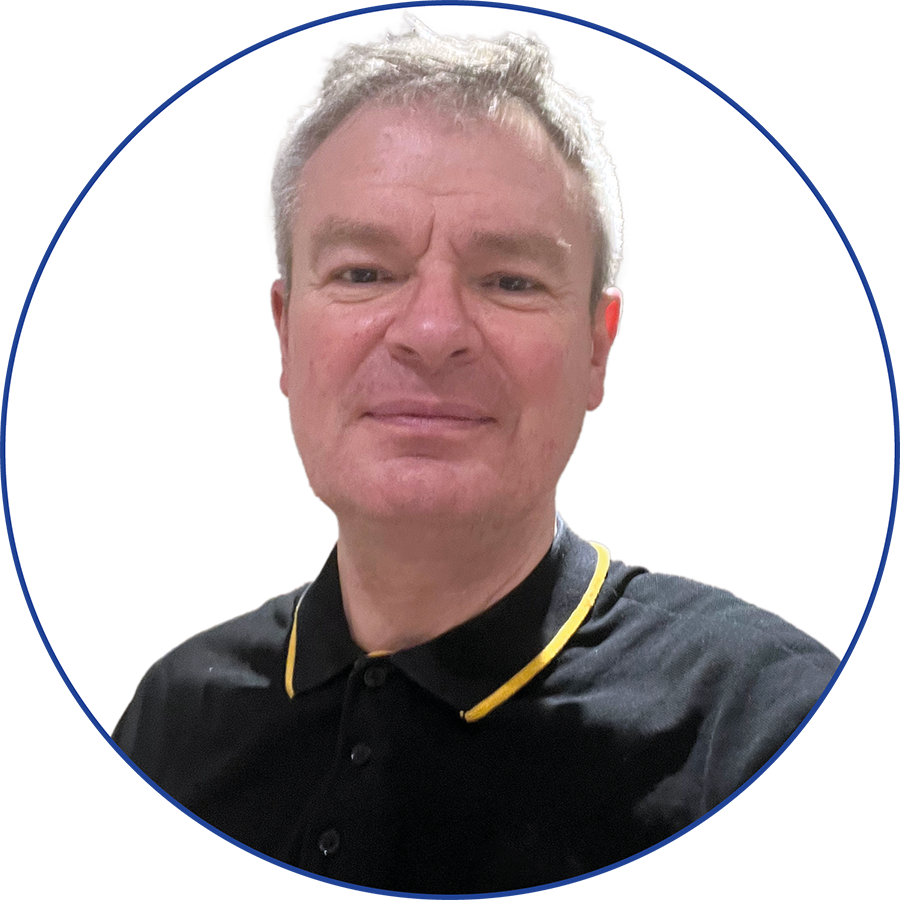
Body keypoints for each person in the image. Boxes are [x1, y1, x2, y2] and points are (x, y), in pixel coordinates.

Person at [113, 22, 839, 892]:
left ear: (597, 351)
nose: (430, 334)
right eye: (363, 273)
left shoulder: (769, 730)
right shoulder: (172, 720)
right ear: (284, 330)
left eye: (510, 282)